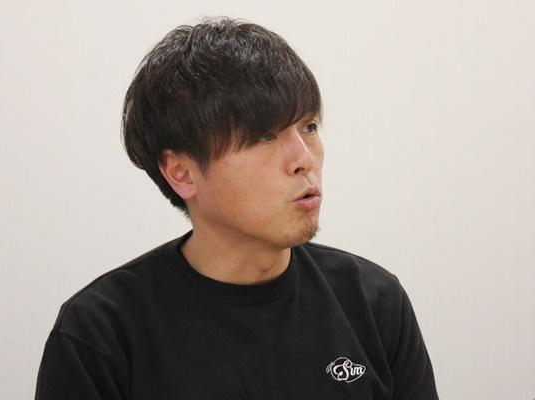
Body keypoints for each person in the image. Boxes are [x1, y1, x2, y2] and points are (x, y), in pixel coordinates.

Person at [34, 17, 439, 400]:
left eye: (309, 127)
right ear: (182, 172)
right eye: (264, 136)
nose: (304, 159)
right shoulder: (101, 334)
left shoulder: (374, 303)